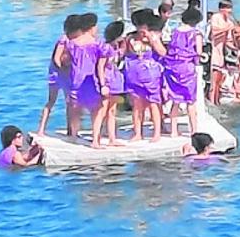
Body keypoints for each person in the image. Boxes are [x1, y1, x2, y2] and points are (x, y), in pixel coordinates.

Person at [124, 10, 167, 143]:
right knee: (137, 105)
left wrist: (151, 39)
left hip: (151, 74)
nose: (140, 28)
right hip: (134, 74)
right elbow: (125, 53)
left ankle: (157, 132)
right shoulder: (130, 38)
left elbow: (163, 52)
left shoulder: (153, 37)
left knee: (154, 103)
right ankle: (137, 133)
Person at [164, 7, 204, 138]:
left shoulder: (175, 32)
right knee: (190, 101)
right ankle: (194, 130)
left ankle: (174, 131)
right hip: (187, 68)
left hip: (172, 67)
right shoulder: (196, 33)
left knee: (175, 99)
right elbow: (198, 52)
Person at [37, 14, 80, 137]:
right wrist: (63, 69)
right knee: (51, 101)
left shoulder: (74, 41)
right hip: (57, 73)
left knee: (69, 102)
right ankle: (41, 129)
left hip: (66, 73)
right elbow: (57, 58)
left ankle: (70, 130)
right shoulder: (64, 39)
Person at [65, 13, 103, 138]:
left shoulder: (72, 43)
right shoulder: (97, 43)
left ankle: (74, 136)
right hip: (91, 78)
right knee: (96, 109)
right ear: (92, 27)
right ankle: (95, 139)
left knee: (76, 109)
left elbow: (65, 60)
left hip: (76, 78)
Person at [92, 20, 128, 148]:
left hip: (115, 81)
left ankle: (112, 138)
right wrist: (102, 85)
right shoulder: (105, 48)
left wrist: (123, 42)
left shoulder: (116, 47)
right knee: (102, 111)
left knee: (112, 111)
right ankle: (96, 140)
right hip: (107, 81)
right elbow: (100, 67)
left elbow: (123, 52)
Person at [206, 0, 237, 105]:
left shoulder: (229, 22)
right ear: (222, 9)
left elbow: (228, 41)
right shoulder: (215, 17)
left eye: (230, 8)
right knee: (213, 82)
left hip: (221, 54)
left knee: (219, 81)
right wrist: (227, 28)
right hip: (213, 52)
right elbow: (213, 33)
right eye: (228, 9)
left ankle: (216, 102)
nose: (230, 11)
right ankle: (211, 102)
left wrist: (237, 49)